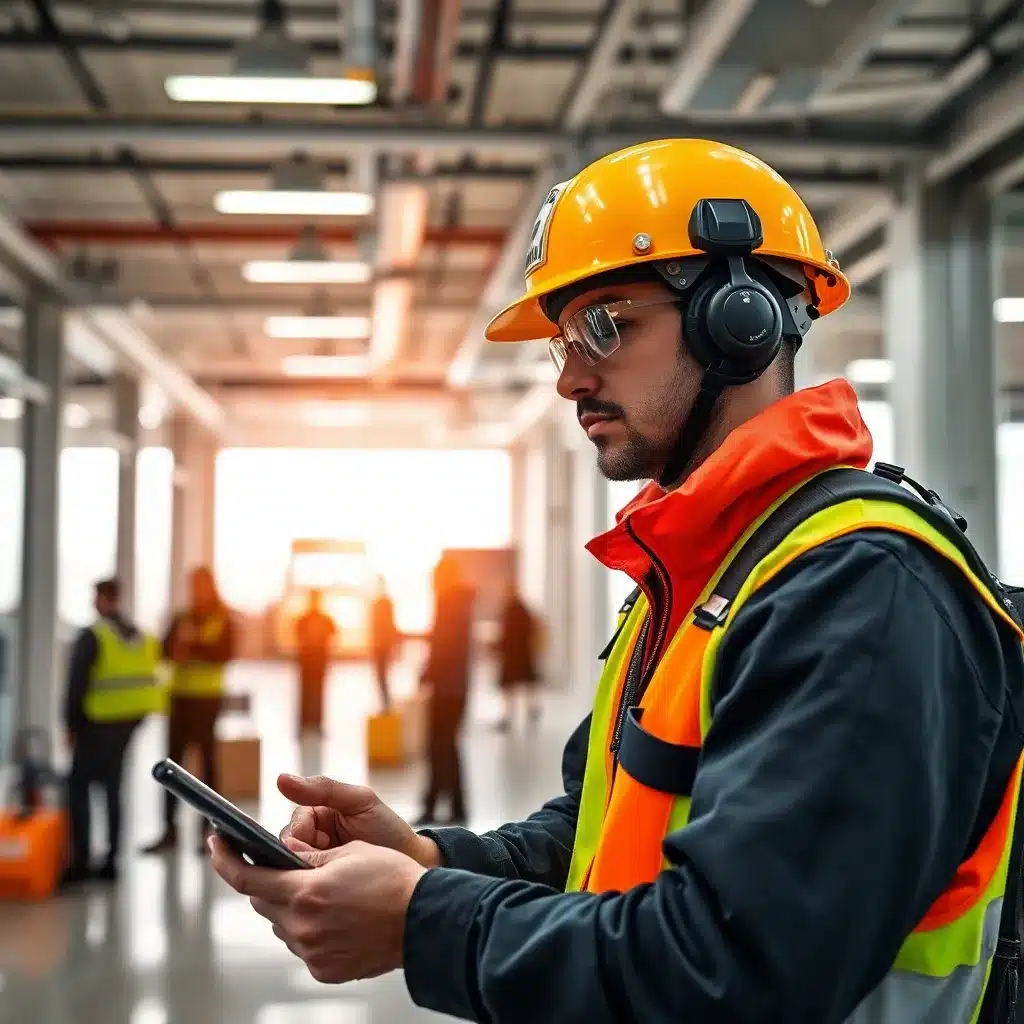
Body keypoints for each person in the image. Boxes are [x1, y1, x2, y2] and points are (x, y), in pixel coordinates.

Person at [210, 139, 1024, 1023]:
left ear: (738, 319)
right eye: (563, 339)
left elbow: (738, 972)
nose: (568, 377)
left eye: (606, 324)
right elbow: (598, 837)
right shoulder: (696, 576)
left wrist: (422, 922)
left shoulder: (859, 591)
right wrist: (435, 863)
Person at [63, 578, 162, 884]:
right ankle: (111, 861)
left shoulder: (94, 635)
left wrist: (70, 725)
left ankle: (80, 862)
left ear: (102, 598)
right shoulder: (138, 635)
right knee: (112, 788)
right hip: (127, 724)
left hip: (96, 722)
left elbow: (76, 684)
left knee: (78, 787)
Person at [142, 566, 235, 855]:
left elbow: (225, 654)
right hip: (180, 699)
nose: (197, 592)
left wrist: (191, 649)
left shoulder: (223, 618)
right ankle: (169, 830)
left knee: (207, 766)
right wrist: (177, 649)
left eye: (201, 585)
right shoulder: (181, 617)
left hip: (207, 701)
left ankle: (210, 831)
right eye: (193, 586)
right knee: (173, 767)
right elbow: (163, 650)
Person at [415, 555, 475, 826]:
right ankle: (455, 806)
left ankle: (434, 807)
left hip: (446, 688)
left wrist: (427, 673)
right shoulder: (462, 603)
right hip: (457, 687)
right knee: (448, 746)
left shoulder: (448, 602)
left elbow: (443, 646)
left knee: (439, 747)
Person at [493, 581, 541, 732]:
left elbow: (504, 633)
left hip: (513, 653)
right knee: (525, 683)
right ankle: (531, 710)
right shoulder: (523, 609)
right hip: (522, 652)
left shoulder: (510, 610)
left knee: (511, 686)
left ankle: (511, 716)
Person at [295, 589, 336, 735]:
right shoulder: (304, 618)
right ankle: (304, 724)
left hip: (319, 662)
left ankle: (316, 724)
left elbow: (333, 634)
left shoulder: (325, 619)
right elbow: (298, 635)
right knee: (306, 694)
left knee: (318, 694)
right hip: (307, 662)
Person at [369, 576, 398, 712]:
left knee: (382, 675)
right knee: (380, 675)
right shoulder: (377, 602)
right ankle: (384, 703)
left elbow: (390, 624)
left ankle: (386, 704)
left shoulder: (386, 602)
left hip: (384, 645)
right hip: (379, 644)